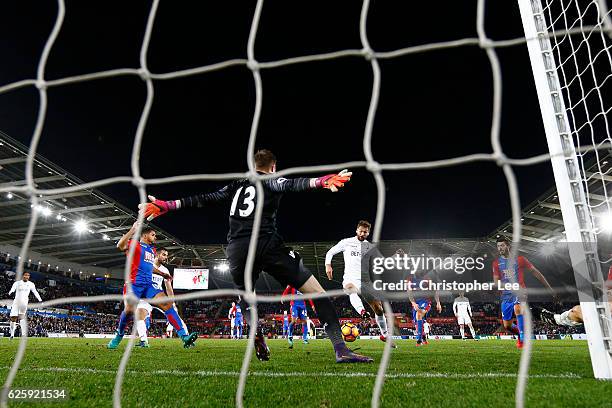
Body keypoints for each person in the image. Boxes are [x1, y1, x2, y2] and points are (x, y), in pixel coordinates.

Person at [141, 149, 372, 363]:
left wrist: (168, 205)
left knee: (246, 299)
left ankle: (257, 335)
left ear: (253, 166)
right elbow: (294, 184)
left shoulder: (236, 185)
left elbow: (204, 198)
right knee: (318, 293)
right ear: (273, 167)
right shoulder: (272, 180)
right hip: (267, 244)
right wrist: (321, 181)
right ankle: (340, 349)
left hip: (237, 250)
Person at [107, 222, 198, 349]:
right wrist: (133, 230)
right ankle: (119, 335)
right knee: (128, 312)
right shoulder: (135, 244)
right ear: (144, 235)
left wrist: (163, 274)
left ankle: (184, 336)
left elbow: (149, 268)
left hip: (148, 285)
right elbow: (120, 245)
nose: (155, 237)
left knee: (167, 304)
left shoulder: (152, 250)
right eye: (153, 235)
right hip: (134, 285)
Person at [325, 221, 394, 345]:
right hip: (350, 279)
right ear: (357, 230)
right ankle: (363, 312)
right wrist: (328, 265)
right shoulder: (346, 242)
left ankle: (384, 335)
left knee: (378, 309)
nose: (362, 233)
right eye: (361, 231)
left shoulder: (370, 247)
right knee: (351, 290)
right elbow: (330, 252)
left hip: (365, 281)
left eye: (365, 232)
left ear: (368, 233)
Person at [493, 237, 556, 349]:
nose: (500, 248)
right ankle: (520, 335)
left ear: (508, 246)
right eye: (498, 246)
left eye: (502, 245)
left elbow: (537, 273)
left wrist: (549, 288)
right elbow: (496, 281)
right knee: (507, 326)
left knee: (518, 308)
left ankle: (523, 340)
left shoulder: (521, 259)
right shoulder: (496, 264)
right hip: (506, 295)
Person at [8, 271, 42, 339]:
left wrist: (40, 300)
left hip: (24, 302)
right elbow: (12, 290)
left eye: (28, 275)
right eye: (25, 275)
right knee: (13, 318)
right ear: (23, 275)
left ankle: (23, 334)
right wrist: (10, 293)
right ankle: (12, 334)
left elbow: (35, 292)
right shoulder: (17, 283)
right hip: (16, 302)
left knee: (21, 317)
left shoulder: (31, 284)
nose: (27, 277)